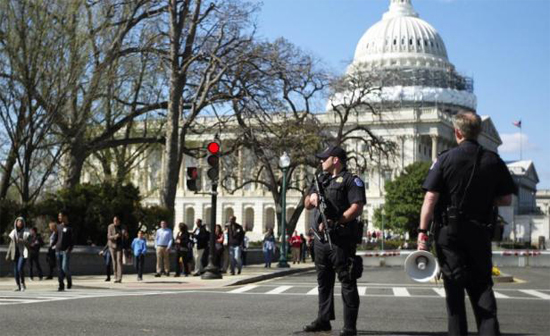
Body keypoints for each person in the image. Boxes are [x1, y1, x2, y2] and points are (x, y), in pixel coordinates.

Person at [418, 112, 517, 336]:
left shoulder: (445, 158)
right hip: (480, 231)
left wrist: (422, 232)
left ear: (457, 132)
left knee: (454, 294)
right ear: (479, 132)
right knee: (482, 287)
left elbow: (430, 199)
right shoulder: (493, 160)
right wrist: (483, 198)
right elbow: (506, 199)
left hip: (449, 234)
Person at [303, 145, 366, 336]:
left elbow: (357, 206)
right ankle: (324, 320)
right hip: (321, 240)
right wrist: (312, 197)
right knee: (324, 281)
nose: (321, 161)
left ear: (336, 160)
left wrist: (337, 220)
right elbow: (306, 204)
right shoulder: (320, 179)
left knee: (347, 281)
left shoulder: (351, 180)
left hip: (341, 239)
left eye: (325, 158)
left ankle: (349, 327)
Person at [6, 217, 31, 291]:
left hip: (23, 253)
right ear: (16, 223)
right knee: (15, 270)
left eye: (21, 222)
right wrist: (8, 254)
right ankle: (18, 285)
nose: (19, 223)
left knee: (20, 268)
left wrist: (21, 240)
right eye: (18, 222)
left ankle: (23, 284)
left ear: (23, 223)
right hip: (15, 253)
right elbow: (11, 244)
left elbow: (29, 243)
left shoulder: (26, 232)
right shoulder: (13, 232)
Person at [56, 211, 74, 291]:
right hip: (58, 250)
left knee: (64, 268)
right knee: (59, 269)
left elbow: (72, 240)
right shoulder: (58, 226)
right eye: (59, 216)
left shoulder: (70, 227)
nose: (59, 218)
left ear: (65, 217)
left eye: (60, 216)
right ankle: (61, 285)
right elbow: (56, 238)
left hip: (66, 251)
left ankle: (69, 280)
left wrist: (69, 249)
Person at [107, 216, 127, 283]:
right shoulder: (110, 226)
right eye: (114, 220)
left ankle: (119, 277)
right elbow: (109, 237)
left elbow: (127, 236)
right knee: (114, 261)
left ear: (119, 221)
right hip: (112, 246)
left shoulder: (123, 226)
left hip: (119, 246)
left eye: (116, 220)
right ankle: (115, 276)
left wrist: (125, 234)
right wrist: (116, 236)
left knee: (119, 261)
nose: (115, 222)